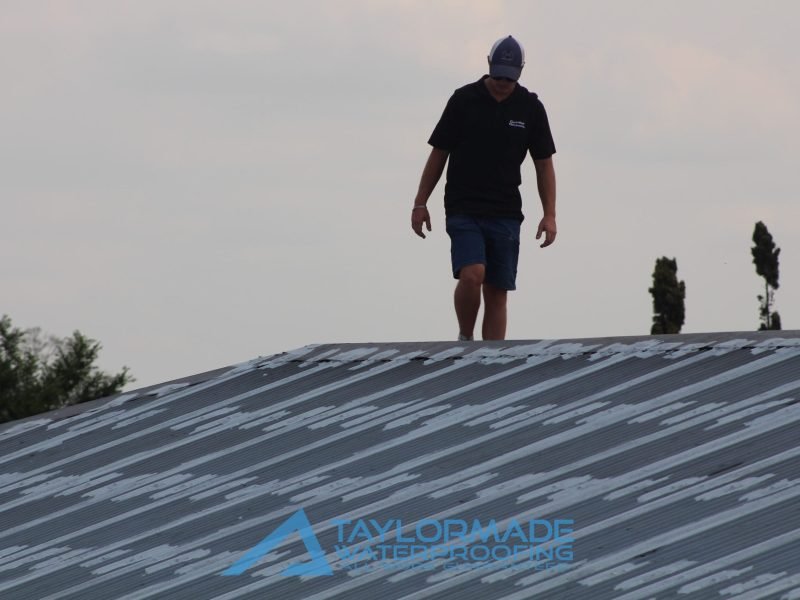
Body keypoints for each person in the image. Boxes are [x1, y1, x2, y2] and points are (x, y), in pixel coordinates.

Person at [411, 35, 557, 341]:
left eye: (510, 77)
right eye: (499, 75)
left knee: (497, 290)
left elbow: (543, 164)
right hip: (464, 207)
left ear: (520, 71)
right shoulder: (464, 100)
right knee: (472, 273)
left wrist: (550, 215)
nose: (503, 82)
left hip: (505, 211)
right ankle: (466, 339)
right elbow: (439, 153)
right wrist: (420, 202)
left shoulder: (530, 107)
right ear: (488, 65)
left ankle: (492, 357)